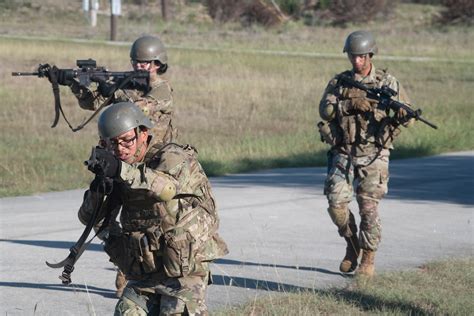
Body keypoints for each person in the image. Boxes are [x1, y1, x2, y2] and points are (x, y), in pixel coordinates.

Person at [78, 101, 228, 315]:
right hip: (145, 271)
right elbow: (88, 217)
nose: (120, 149)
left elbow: (167, 188)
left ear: (143, 133)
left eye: (126, 141)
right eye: (112, 143)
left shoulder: (172, 156)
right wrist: (99, 187)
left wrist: (121, 170)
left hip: (183, 272)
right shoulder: (118, 166)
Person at [317, 30, 414, 277]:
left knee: (368, 209)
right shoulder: (340, 82)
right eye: (353, 56)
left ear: (370, 54)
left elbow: (408, 116)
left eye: (361, 56)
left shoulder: (387, 83)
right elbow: (325, 111)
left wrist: (403, 116)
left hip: (375, 153)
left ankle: (368, 259)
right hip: (344, 150)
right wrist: (349, 104)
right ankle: (352, 244)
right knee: (336, 204)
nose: (357, 61)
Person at [70, 35, 177, 143]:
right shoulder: (125, 82)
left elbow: (139, 110)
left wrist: (115, 91)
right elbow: (92, 104)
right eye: (135, 62)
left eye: (143, 63)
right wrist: (72, 84)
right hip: (123, 147)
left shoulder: (163, 89)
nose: (137, 66)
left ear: (157, 64)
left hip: (153, 151)